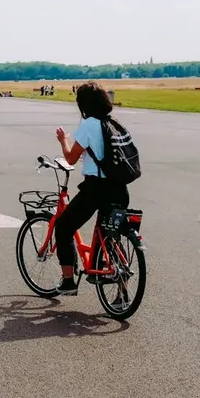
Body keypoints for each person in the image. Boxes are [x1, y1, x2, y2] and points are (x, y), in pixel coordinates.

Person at [52, 82, 131, 296]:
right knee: (110, 235)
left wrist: (63, 140)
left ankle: (68, 281)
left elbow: (70, 158)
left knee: (64, 227)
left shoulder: (89, 125)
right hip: (120, 188)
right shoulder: (114, 123)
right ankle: (122, 289)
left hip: (97, 189)